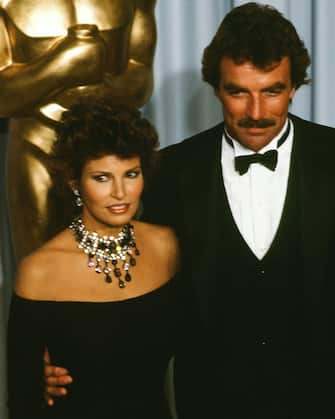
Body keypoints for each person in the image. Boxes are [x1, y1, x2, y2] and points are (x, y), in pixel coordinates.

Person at [44, 2, 335, 418]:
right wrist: (57, 348)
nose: (256, 113)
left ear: (294, 87)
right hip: (209, 402)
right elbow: (126, 282)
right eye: (238, 92)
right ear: (216, 88)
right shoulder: (168, 172)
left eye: (271, 91)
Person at [7, 101, 181, 419]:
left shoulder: (166, 245)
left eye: (131, 174)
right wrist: (36, 381)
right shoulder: (40, 270)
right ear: (75, 182)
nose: (120, 192)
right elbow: (22, 402)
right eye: (101, 178)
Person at [0, 0, 156, 261]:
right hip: (37, 145)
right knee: (40, 269)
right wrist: (64, 64)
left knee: (120, 266)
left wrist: (96, 90)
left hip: (110, 148)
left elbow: (140, 76)